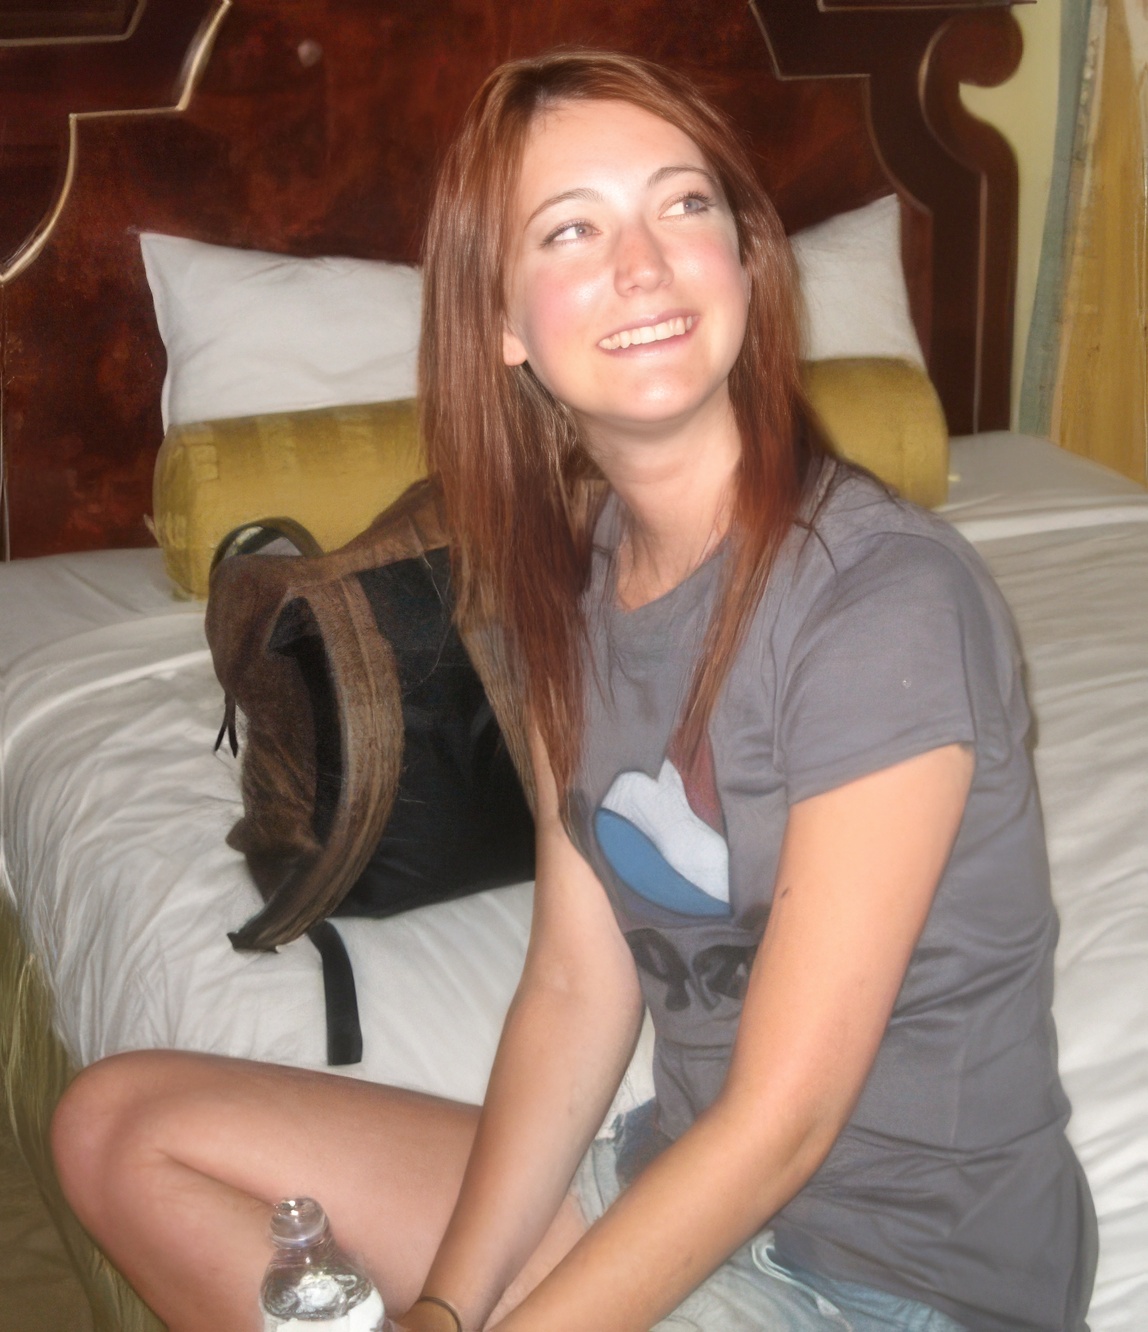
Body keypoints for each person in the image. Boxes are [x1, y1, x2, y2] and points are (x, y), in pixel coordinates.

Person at [51, 50, 1095, 1332]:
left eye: (683, 205)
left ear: (744, 260)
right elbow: (572, 986)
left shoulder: (884, 604)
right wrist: (444, 1306)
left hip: (890, 1288)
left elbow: (784, 1122)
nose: (642, 265)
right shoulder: (566, 585)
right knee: (120, 1128)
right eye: (570, 229)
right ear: (499, 320)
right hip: (665, 1184)